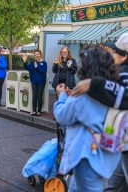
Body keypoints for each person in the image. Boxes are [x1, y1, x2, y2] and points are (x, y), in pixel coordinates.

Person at [54, 45, 121, 192]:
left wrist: (62, 96)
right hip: (103, 151)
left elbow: (62, 116)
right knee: (75, 188)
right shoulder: (111, 91)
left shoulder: (83, 96)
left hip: (86, 155)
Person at [72, 33, 128, 192]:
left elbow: (123, 97)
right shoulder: (119, 71)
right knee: (114, 185)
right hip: (121, 140)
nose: (111, 55)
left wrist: (94, 83)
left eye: (115, 52)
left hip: (123, 136)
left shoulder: (124, 73)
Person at [22, 50, 47, 116]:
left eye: (38, 54)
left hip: (41, 82)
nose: (36, 56)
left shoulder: (44, 63)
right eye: (35, 54)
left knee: (39, 96)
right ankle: (34, 110)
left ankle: (39, 111)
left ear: (40, 54)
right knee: (34, 96)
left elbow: (43, 72)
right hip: (34, 81)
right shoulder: (33, 63)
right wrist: (25, 61)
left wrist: (36, 67)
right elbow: (27, 68)